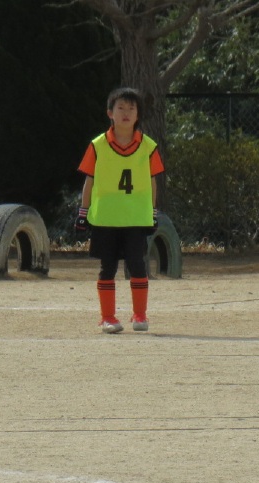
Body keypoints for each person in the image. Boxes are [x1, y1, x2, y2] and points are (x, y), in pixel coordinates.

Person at [75, 86, 166, 334]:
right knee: (108, 267)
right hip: (106, 218)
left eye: (131, 108)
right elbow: (89, 180)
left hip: (136, 218)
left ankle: (140, 315)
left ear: (138, 115)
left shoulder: (148, 147)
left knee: (138, 265)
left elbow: (152, 182)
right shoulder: (98, 145)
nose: (126, 113)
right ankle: (108, 317)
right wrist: (83, 212)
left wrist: (153, 212)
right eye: (120, 108)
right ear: (110, 113)